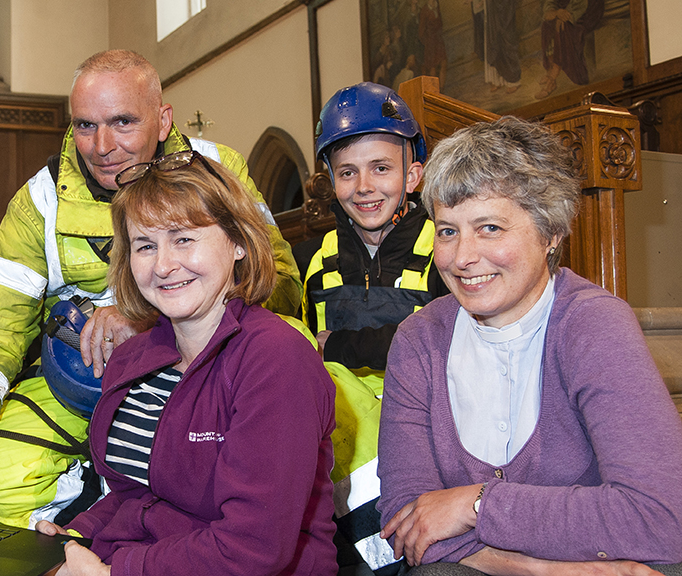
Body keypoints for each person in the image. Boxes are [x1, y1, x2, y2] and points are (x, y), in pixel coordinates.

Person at [0, 49, 302, 529]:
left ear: (162, 121)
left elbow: (283, 288)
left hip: (202, 370)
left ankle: (139, 520)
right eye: (84, 125)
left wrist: (146, 314)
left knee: (244, 461)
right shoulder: (38, 201)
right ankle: (96, 518)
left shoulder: (218, 169)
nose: (101, 146)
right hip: (75, 384)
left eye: (122, 122)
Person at [378, 116, 682, 575]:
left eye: (490, 228)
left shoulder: (593, 325)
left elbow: (660, 517)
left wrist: (475, 504)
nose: (461, 258)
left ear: (551, 232)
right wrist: (546, 569)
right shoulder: (418, 339)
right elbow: (406, 520)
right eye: (447, 230)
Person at [37, 150, 337, 576]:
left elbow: (253, 549)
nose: (163, 265)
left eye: (183, 238)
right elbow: (134, 495)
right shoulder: (134, 357)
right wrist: (76, 535)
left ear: (237, 241)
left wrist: (114, 573)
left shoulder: (276, 358)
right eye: (145, 245)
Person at [292, 82, 448, 574]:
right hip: (335, 442)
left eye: (381, 168)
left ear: (413, 174)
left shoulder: (445, 248)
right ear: (330, 181)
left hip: (425, 428)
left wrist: (339, 344)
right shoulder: (318, 261)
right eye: (347, 172)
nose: (364, 187)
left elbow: (445, 345)